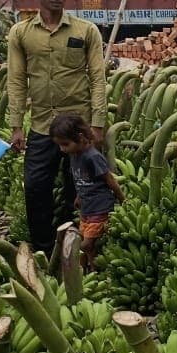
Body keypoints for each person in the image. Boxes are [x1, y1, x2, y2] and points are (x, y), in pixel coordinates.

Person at [7, 0, 107, 256]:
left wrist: (97, 124)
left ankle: (76, 247)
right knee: (36, 188)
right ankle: (43, 248)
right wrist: (16, 126)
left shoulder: (85, 31)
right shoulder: (21, 33)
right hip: (41, 126)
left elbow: (97, 78)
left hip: (79, 128)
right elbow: (16, 80)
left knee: (81, 191)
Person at [49, 113, 124, 270]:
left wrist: (121, 198)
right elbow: (83, 180)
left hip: (100, 207)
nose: (62, 149)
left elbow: (109, 179)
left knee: (86, 243)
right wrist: (79, 196)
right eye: (59, 145)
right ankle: (91, 271)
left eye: (65, 144)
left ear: (80, 137)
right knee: (89, 247)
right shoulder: (74, 154)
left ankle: (70, 260)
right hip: (86, 208)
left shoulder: (92, 157)